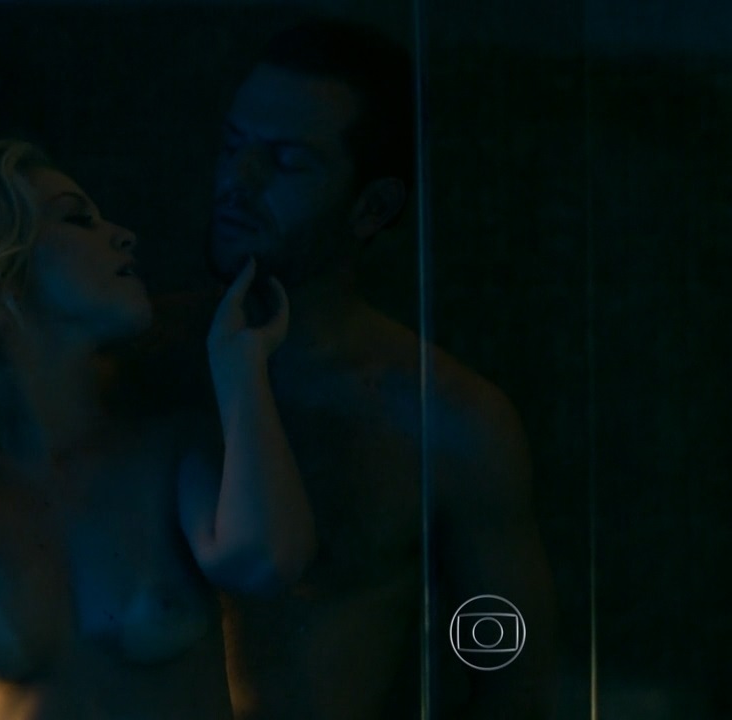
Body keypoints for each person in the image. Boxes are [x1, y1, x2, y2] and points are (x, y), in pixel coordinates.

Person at [0, 139, 315, 719]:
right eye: (77, 219)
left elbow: (268, 561)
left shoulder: (164, 452)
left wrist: (240, 369)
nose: (123, 235)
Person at [147, 17, 559, 719]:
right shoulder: (141, 364)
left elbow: (511, 677)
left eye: (286, 161)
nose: (238, 181)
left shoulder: (445, 419)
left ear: (372, 207)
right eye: (234, 146)